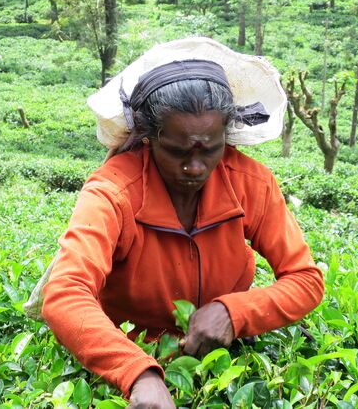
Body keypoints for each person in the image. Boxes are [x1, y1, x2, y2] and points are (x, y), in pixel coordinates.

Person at [40, 38, 324, 408]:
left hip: (223, 360)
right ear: (148, 139)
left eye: (210, 149)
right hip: (128, 355)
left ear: (226, 136)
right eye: (176, 151)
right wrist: (136, 373)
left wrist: (233, 313)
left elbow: (305, 280)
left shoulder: (249, 182)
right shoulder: (114, 191)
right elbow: (65, 295)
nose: (194, 168)